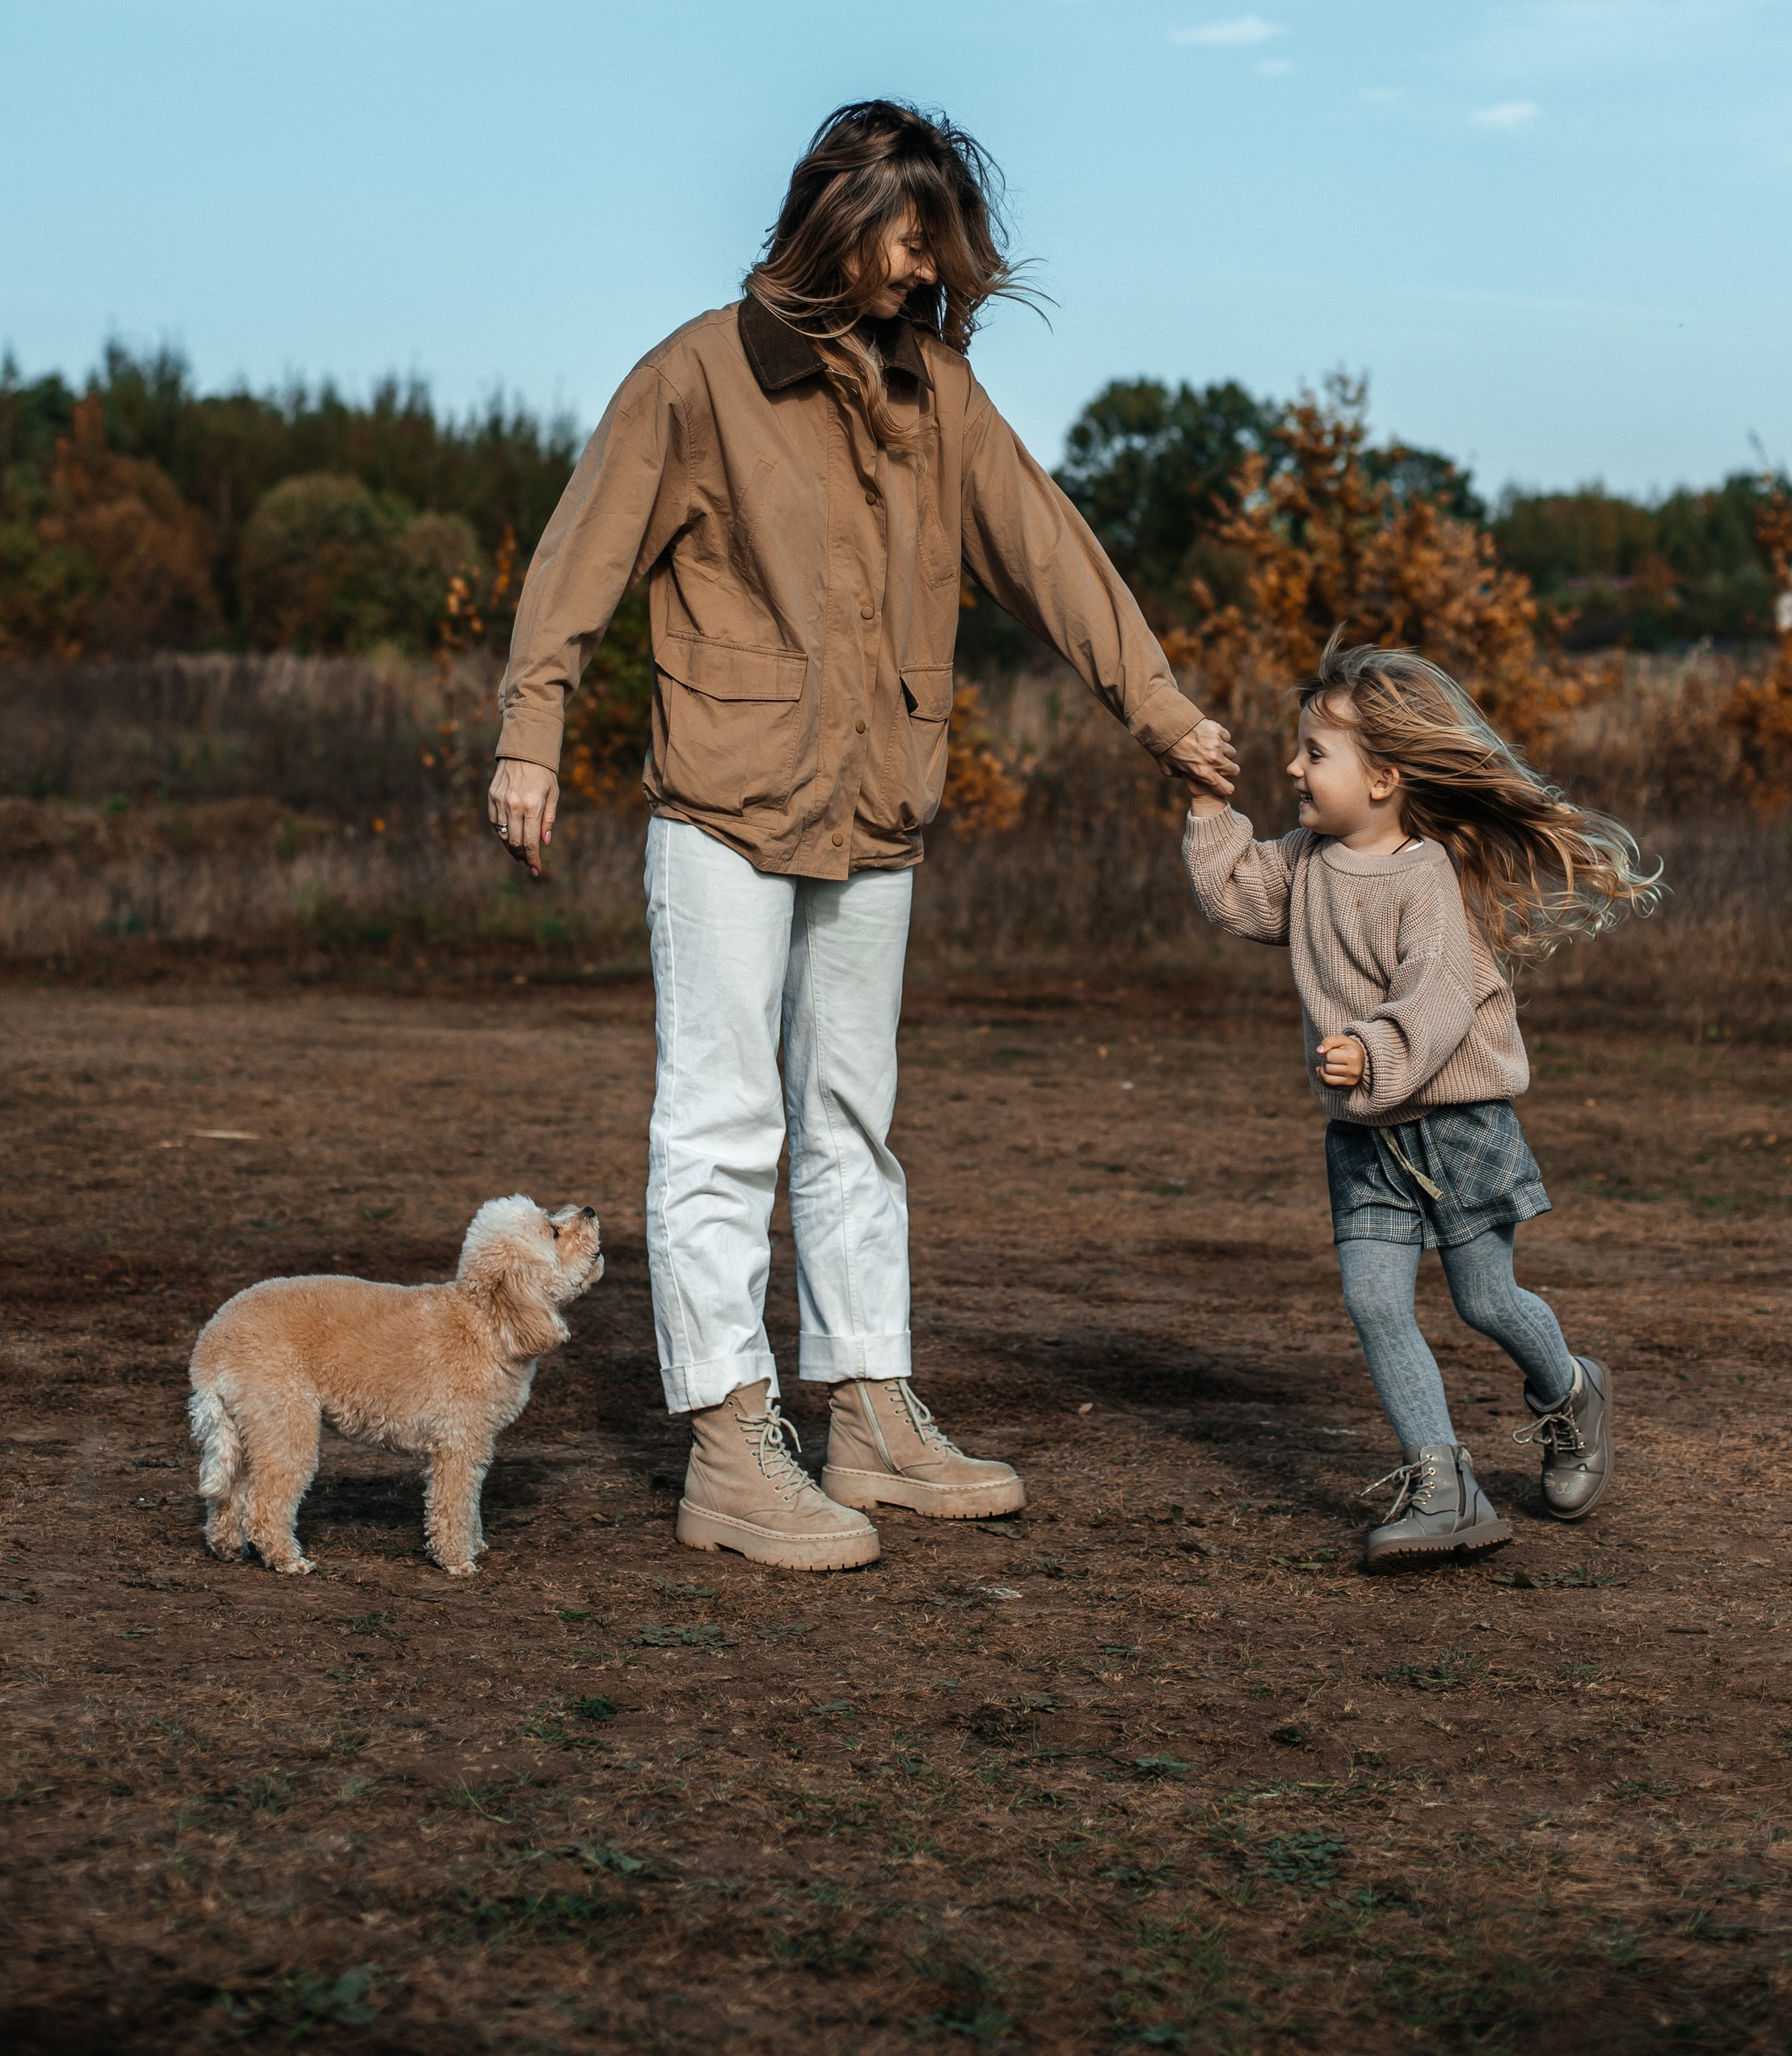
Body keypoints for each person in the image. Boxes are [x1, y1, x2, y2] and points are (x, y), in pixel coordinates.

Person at [487, 101, 1238, 1570]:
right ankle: (728, 1439)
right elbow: (575, 563)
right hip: (724, 794)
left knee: (853, 1122)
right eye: (912, 237)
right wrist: (532, 734)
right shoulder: (700, 376)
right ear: (841, 218)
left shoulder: (939, 393)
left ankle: (870, 1410)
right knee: (721, 1122)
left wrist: (1160, 711)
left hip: (880, 799)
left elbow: (1048, 551)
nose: (926, 267)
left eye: (942, 246)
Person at [1182, 631, 1659, 1569]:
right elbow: (1238, 897)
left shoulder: (1426, 880)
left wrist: (1369, 1049)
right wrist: (1207, 806)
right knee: (1373, 1303)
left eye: (1314, 753)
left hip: (1456, 1126)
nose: (1292, 766)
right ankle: (1443, 1485)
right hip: (1366, 1138)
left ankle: (1569, 1392)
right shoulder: (1308, 859)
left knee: (1484, 1299)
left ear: (1385, 776)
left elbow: (1437, 998)